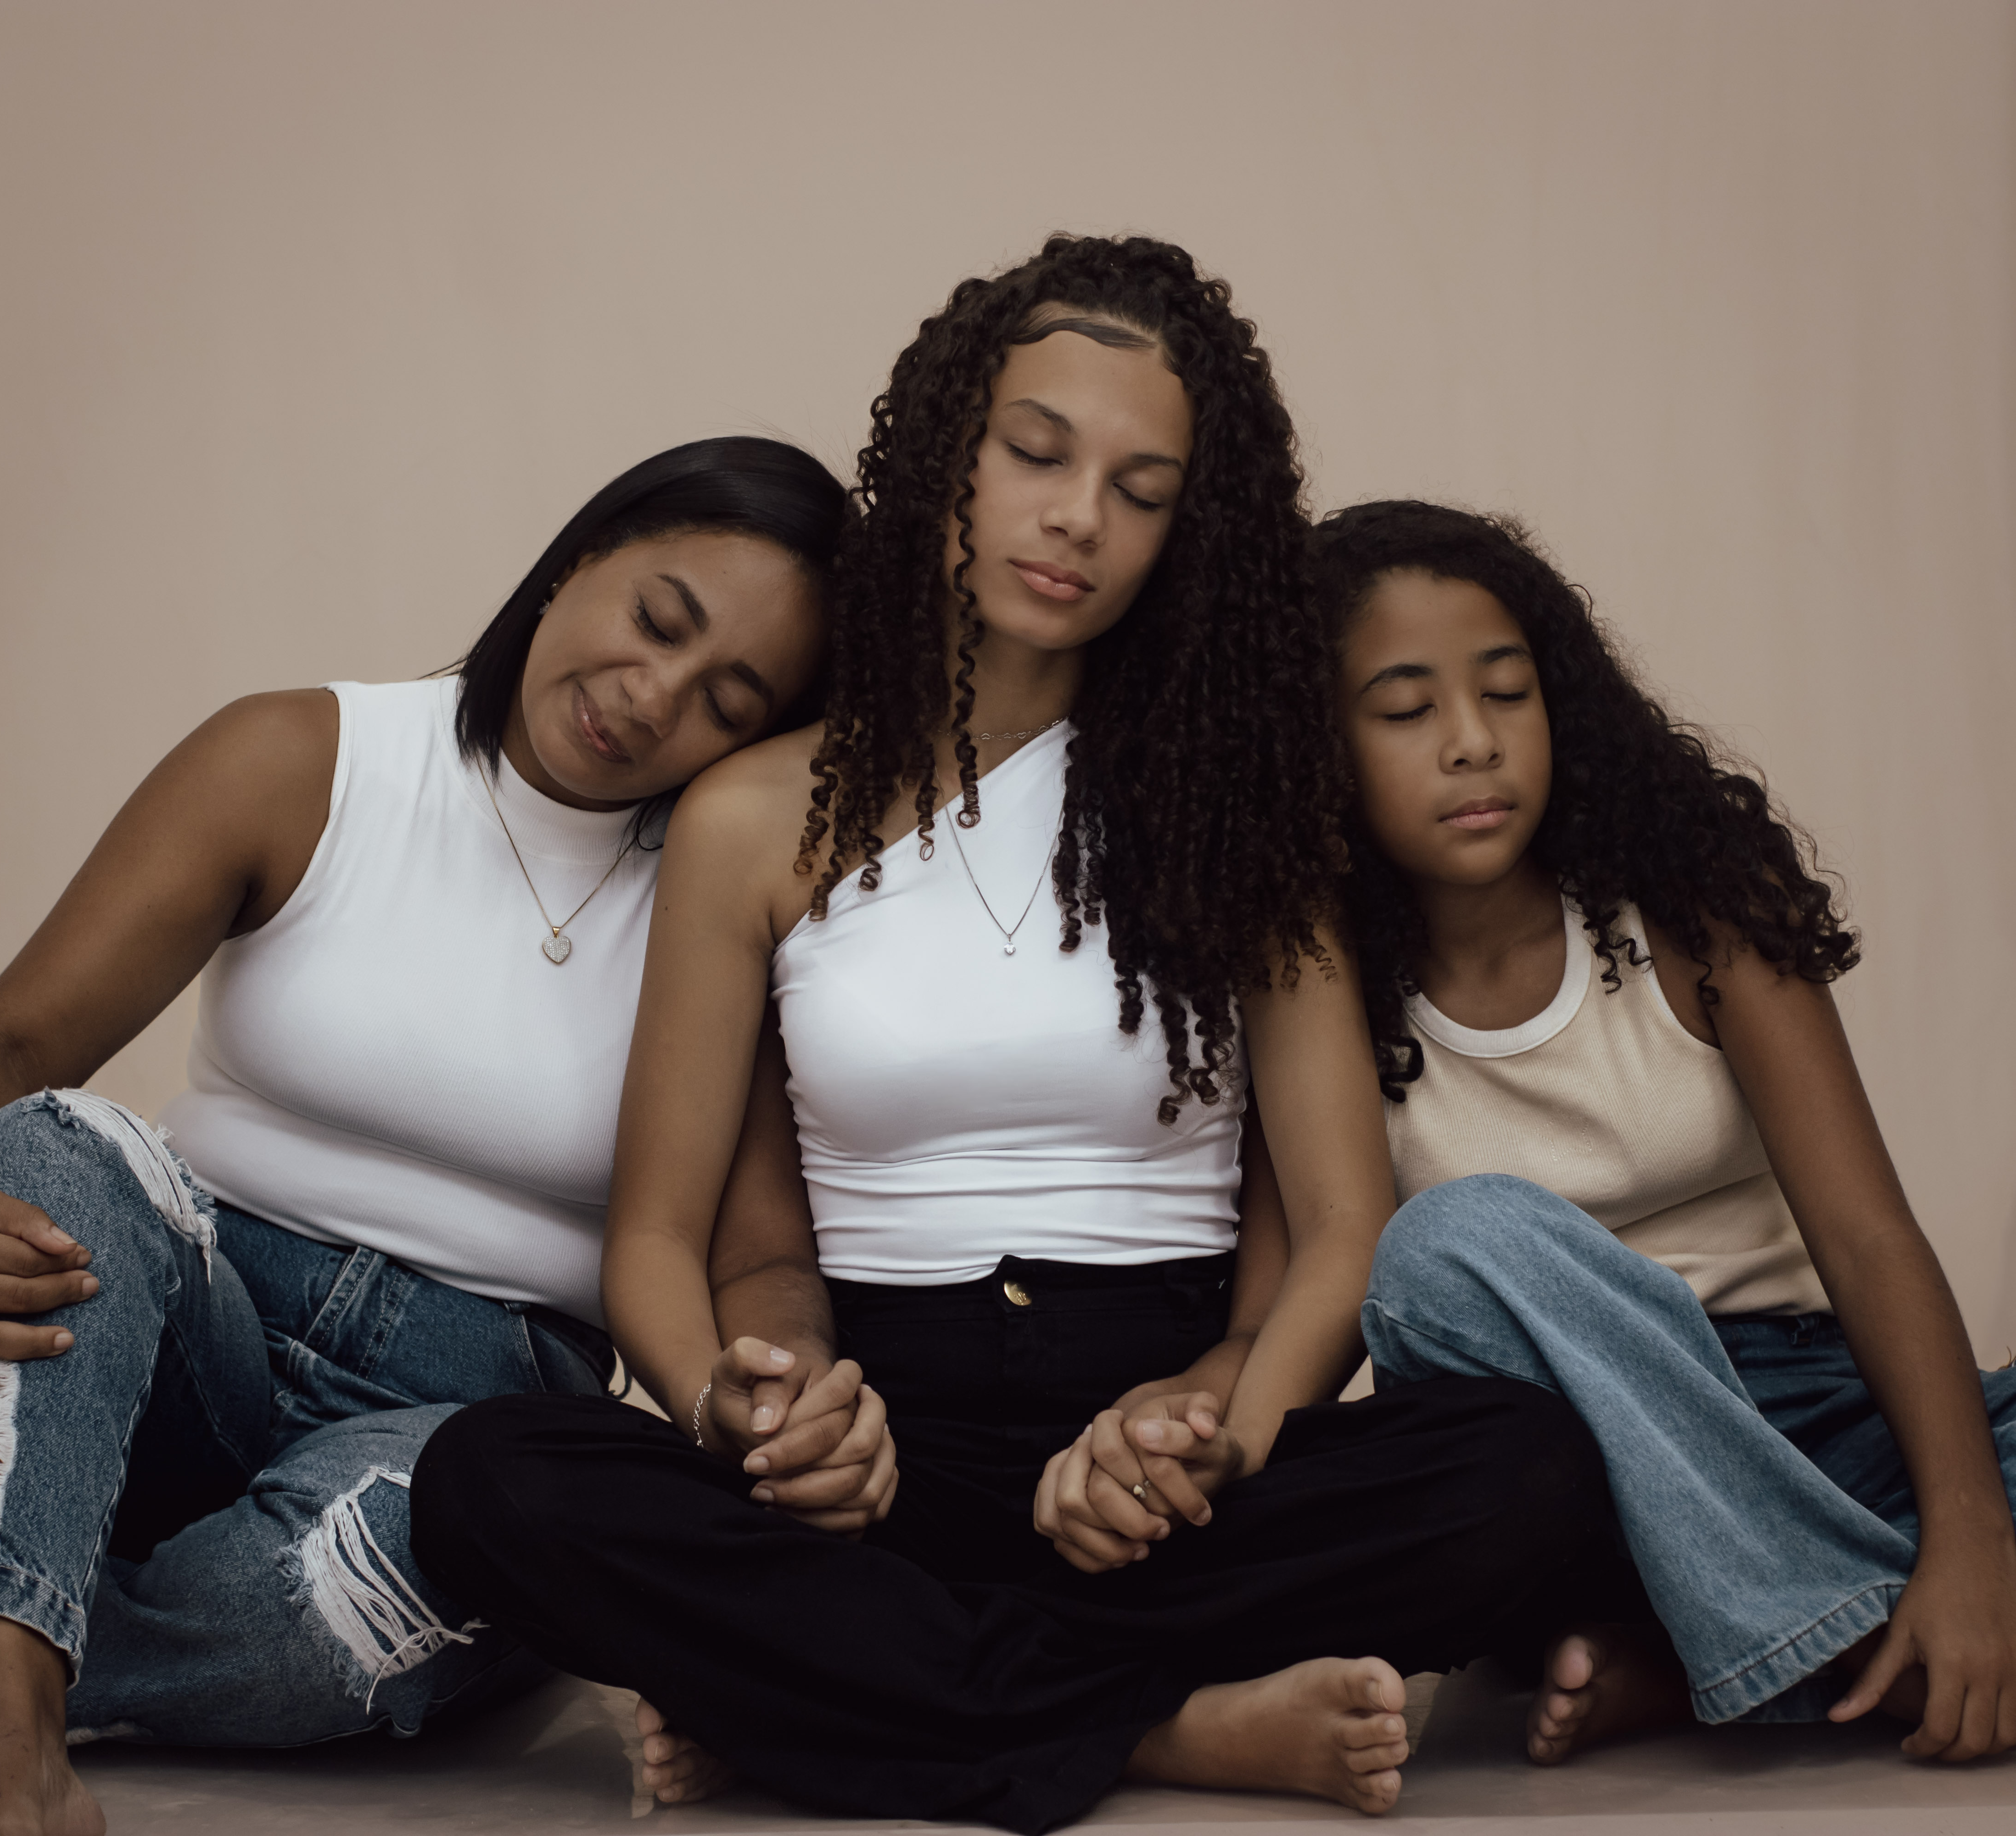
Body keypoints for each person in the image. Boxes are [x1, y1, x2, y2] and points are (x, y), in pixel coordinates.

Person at [410, 237, 1632, 1835]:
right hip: (878, 1456)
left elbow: (1345, 1228)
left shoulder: (1243, 810)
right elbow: (658, 1239)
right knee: (487, 1481)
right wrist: (751, 1416)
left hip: (1157, 1455)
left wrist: (1208, 1434)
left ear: (1188, 535)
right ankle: (1169, 1730)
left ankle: (843, 1706)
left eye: (1141, 490)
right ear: (950, 459)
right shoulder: (755, 818)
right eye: (1037, 453)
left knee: (1527, 1467)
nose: (1076, 518)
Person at [0, 437, 846, 1836]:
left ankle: (21, 1635)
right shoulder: (307, 759)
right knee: (52, 1141)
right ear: (579, 561)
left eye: (728, 700)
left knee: (411, 1568)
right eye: (657, 619)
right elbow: (5, 1048)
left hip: (466, 1420)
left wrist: (779, 1390)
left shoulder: (728, 895)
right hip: (192, 1335)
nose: (653, 695)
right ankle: (0, 1755)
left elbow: (757, 1262)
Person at [1308, 500, 2016, 1766]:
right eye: (1408, 711)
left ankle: (1717, 1656)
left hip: (1813, 1409)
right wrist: (1186, 1427)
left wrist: (1973, 1544)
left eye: (1508, 694)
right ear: (1319, 754)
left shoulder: (1696, 905)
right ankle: (1853, 1644)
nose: (1473, 742)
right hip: (1581, 1473)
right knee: (1447, 1246)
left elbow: (1866, 1237)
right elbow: (1307, 1297)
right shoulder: (1318, 997)